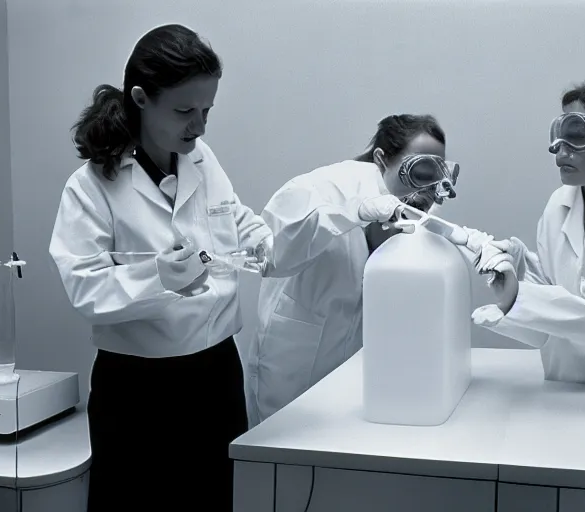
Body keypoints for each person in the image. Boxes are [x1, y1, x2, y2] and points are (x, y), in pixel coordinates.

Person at [48, 24, 272, 511]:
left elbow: (234, 216)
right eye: (185, 111)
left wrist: (264, 242)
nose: (200, 126)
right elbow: (84, 287)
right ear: (140, 98)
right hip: (139, 390)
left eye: (207, 110)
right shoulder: (91, 187)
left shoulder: (201, 158)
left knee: (214, 499)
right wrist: (158, 278)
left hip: (215, 374)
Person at [246, 114, 461, 426]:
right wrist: (354, 212)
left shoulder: (412, 202)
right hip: (292, 368)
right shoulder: (321, 188)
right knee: (282, 456)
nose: (428, 187)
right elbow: (269, 254)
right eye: (421, 169)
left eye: (437, 172)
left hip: (354, 375)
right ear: (381, 159)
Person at [456, 79, 585, 383]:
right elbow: (550, 327)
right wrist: (522, 272)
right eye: (559, 135)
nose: (560, 148)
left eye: (577, 134)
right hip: (562, 394)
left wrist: (519, 298)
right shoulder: (558, 206)